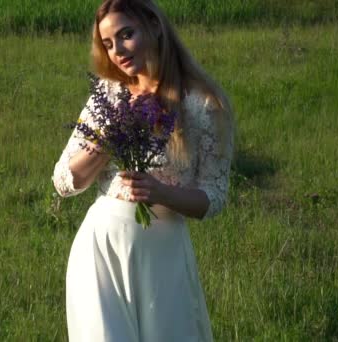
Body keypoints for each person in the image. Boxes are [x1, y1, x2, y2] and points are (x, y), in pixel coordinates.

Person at [51, 0, 235, 341]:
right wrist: (111, 135)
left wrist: (162, 193)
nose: (117, 50)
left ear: (153, 25)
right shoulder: (107, 96)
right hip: (102, 250)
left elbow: (216, 196)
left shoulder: (203, 104)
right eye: (107, 43)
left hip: (162, 255)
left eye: (126, 34)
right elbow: (65, 181)